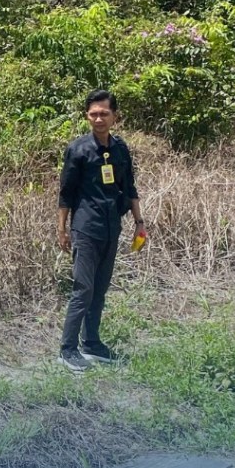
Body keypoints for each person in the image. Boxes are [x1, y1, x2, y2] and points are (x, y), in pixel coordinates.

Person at [57, 89, 145, 373]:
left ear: (114, 116)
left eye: (104, 113)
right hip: (85, 227)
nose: (98, 119)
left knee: (100, 289)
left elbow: (129, 187)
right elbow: (66, 193)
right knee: (83, 288)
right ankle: (67, 349)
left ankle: (91, 343)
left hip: (111, 227)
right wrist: (62, 229)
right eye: (93, 114)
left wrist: (139, 222)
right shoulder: (78, 149)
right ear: (87, 116)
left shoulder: (120, 149)